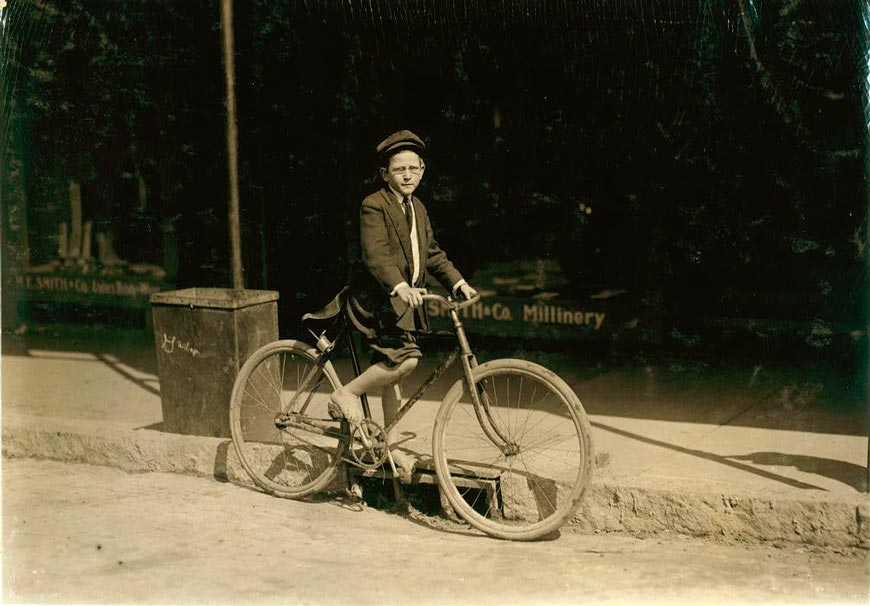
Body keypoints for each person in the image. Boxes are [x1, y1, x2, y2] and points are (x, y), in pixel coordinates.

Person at [329, 129, 477, 481]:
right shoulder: (374, 204)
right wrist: (398, 285)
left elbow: (432, 253)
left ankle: (390, 446)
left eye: (414, 168)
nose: (407, 175)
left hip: (400, 302)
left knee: (392, 377)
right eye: (399, 170)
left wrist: (458, 281)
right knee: (405, 360)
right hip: (374, 300)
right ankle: (345, 394)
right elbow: (375, 254)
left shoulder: (418, 208)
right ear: (385, 174)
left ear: (423, 170)